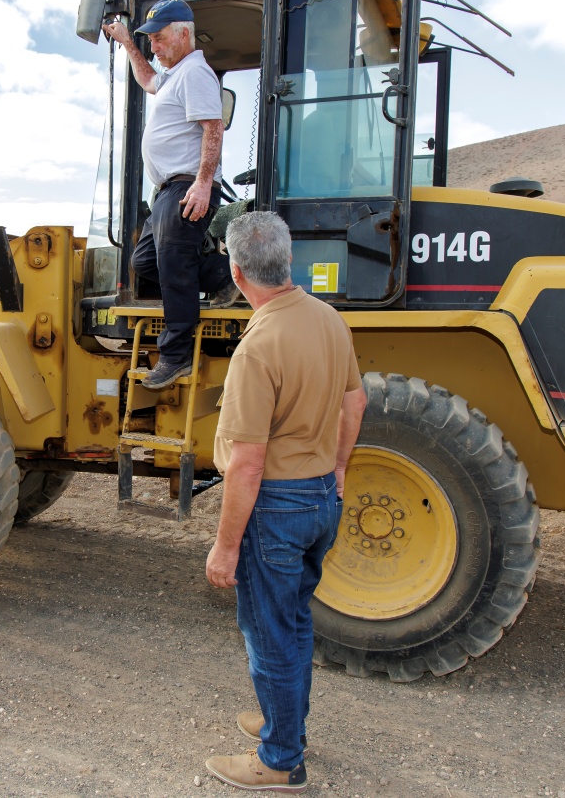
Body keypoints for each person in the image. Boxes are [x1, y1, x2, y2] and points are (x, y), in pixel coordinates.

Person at [204, 212, 368, 792]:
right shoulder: (328, 319)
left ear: (237, 270)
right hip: (321, 497)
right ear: (288, 259)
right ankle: (285, 723)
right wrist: (340, 469)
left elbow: (247, 463)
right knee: (294, 621)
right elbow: (356, 403)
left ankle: (279, 761)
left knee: (269, 633)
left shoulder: (259, 348)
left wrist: (225, 549)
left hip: (276, 508)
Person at [103, 0, 237, 390]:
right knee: (147, 262)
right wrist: (128, 42)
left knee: (174, 266)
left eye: (160, 39)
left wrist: (202, 182)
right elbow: (146, 80)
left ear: (183, 34)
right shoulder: (174, 75)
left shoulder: (195, 73)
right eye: (152, 41)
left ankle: (175, 356)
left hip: (186, 185)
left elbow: (213, 129)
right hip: (167, 190)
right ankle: (223, 274)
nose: (155, 48)